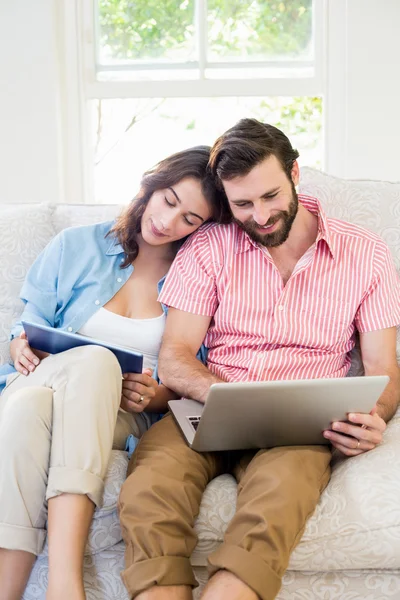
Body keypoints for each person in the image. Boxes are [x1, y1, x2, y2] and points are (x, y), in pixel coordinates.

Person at [118, 119, 400, 600]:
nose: (261, 216)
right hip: (206, 406)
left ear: (294, 173)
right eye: (242, 204)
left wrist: (373, 417)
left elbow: (384, 370)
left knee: (276, 504)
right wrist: (225, 396)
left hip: (300, 423)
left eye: (270, 196)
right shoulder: (209, 245)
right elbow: (177, 354)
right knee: (148, 492)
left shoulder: (365, 254)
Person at [0, 146, 230, 600]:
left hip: (120, 413)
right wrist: (19, 344)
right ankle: (64, 587)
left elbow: (190, 371)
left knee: (28, 409)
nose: (167, 222)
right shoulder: (75, 245)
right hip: (45, 378)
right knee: (80, 367)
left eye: (190, 219)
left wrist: (156, 395)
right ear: (151, 184)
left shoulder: (195, 277)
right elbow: (24, 325)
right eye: (168, 200)